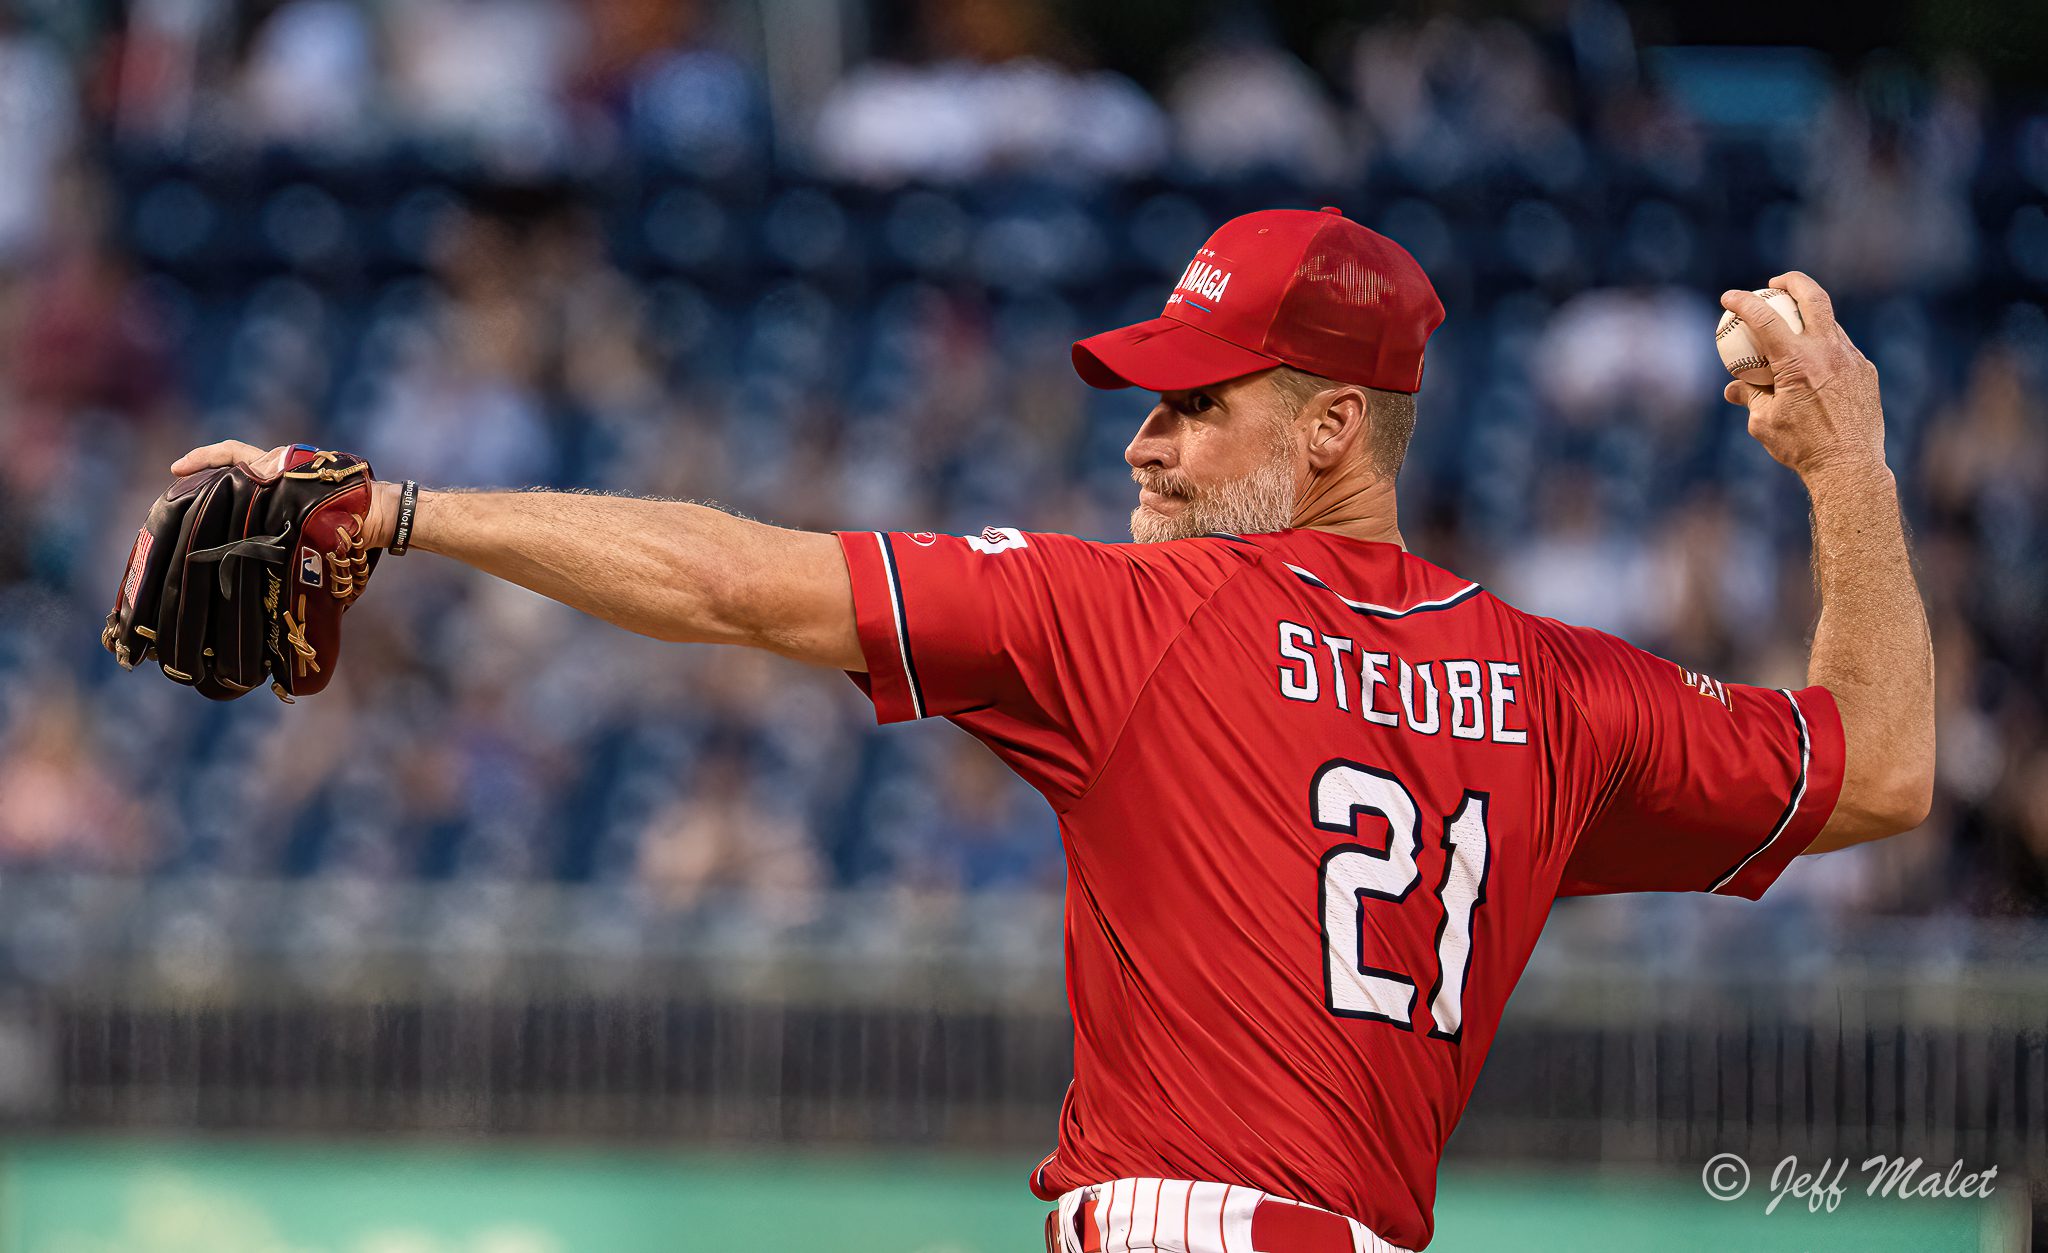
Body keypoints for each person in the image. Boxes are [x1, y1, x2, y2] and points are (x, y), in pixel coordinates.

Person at [169, 206, 1933, 1252]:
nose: (1141, 445)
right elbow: (1881, 767)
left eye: (1193, 402)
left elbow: (738, 584)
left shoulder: (1138, 620)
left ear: (1332, 430)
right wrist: (1849, 467)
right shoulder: (1554, 693)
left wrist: (398, 514)